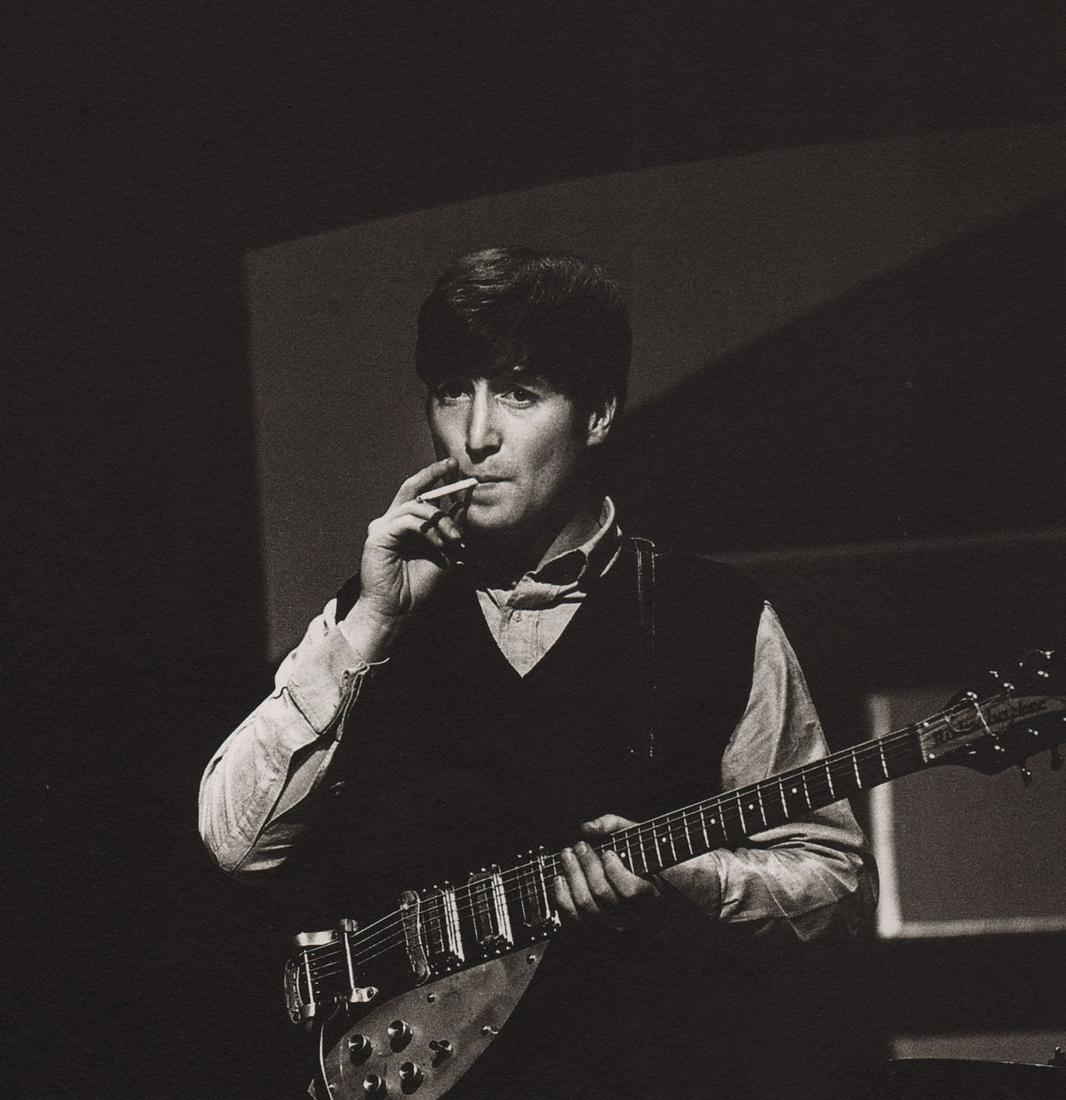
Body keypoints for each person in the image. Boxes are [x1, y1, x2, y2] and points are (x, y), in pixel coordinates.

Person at [199, 246, 878, 1098]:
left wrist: (689, 882)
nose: (477, 434)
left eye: (519, 393)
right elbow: (237, 842)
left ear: (595, 415)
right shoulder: (377, 611)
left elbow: (831, 878)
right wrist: (373, 618)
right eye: (454, 392)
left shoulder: (717, 615)